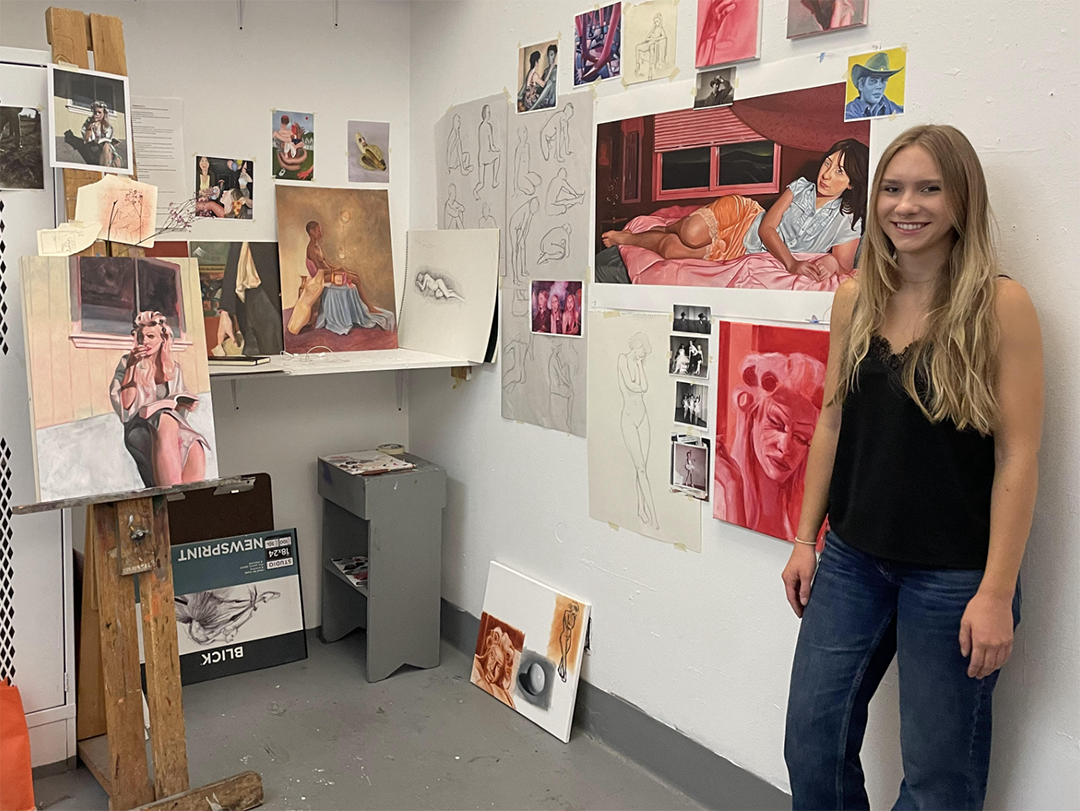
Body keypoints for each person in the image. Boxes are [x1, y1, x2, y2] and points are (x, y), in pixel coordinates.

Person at [781, 125, 1043, 810]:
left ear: (962, 199)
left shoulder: (1001, 306)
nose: (908, 204)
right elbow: (832, 421)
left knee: (937, 780)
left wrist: (996, 590)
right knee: (812, 740)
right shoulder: (854, 297)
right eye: (893, 189)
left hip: (956, 574)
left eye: (929, 188)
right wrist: (807, 537)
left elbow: (1019, 454)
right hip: (852, 561)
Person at [603, 139, 870, 281]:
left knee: (673, 250)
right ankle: (665, 226)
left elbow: (844, 265)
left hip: (743, 249)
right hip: (746, 217)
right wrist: (791, 263)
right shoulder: (800, 187)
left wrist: (828, 262)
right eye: (828, 163)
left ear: (851, 183)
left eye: (839, 171)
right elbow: (767, 227)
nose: (826, 174)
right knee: (690, 233)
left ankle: (635, 238)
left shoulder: (847, 220)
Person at [714, 351, 824, 538]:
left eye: (801, 438)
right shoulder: (721, 490)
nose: (785, 447)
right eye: (775, 423)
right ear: (753, 416)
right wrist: (733, 489)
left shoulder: (810, 512)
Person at [110, 311, 210, 487]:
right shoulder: (128, 362)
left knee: (195, 445)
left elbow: (178, 410)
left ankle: (187, 504)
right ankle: (169, 495)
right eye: (141, 336)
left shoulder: (174, 369)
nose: (144, 341)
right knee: (165, 420)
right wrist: (132, 368)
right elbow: (126, 407)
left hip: (169, 428)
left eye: (150, 336)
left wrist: (184, 404)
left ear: (163, 339)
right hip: (139, 425)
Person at [619, 333, 659, 530]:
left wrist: (641, 366)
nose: (644, 353)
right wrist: (636, 368)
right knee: (641, 467)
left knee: (642, 467)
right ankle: (653, 516)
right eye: (643, 350)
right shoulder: (623, 359)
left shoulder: (638, 363)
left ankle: (641, 507)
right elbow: (632, 385)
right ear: (637, 346)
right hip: (629, 418)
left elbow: (644, 387)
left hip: (643, 417)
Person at [844, 52, 905, 120]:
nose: (879, 86)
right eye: (873, 81)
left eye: (883, 80)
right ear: (861, 85)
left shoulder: (885, 102)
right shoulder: (850, 113)